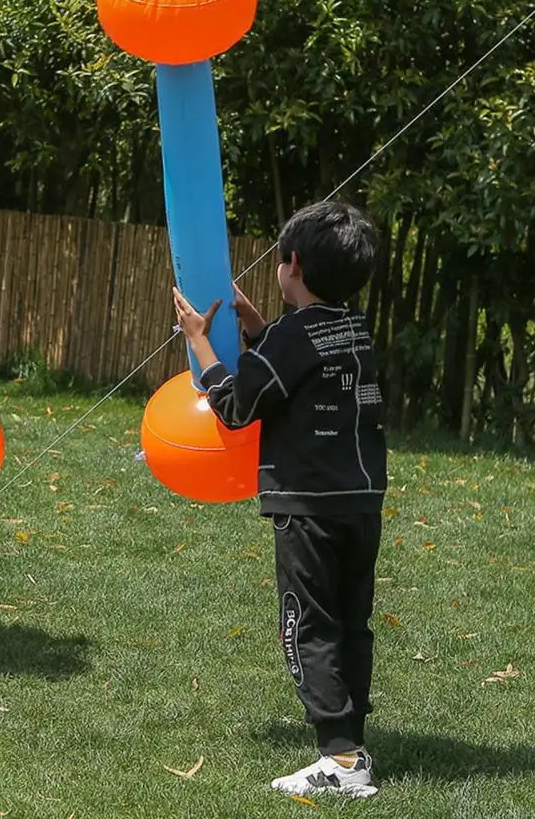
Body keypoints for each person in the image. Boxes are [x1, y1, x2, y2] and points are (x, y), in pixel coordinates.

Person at [172, 201, 387, 798]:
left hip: (308, 508)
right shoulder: (356, 328)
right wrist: (258, 329)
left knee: (307, 626)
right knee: (350, 622)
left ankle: (341, 763)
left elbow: (239, 405)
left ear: (290, 264)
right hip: (361, 502)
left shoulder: (293, 337)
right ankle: (352, 742)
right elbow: (304, 370)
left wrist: (202, 347)